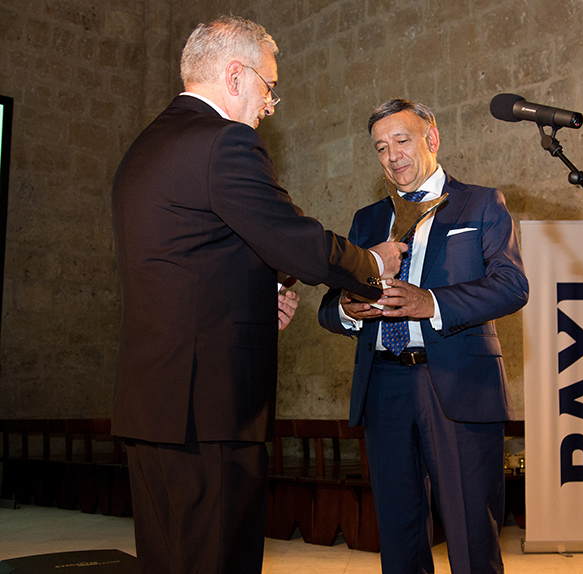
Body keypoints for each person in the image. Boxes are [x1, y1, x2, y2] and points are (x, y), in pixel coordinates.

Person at [110, 16, 405, 574]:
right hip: (211, 409)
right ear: (236, 75)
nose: (270, 106)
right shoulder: (225, 142)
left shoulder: (144, 148)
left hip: (153, 404)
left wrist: (255, 294)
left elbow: (186, 260)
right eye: (270, 88)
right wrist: (372, 263)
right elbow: (294, 241)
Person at [318, 99, 529, 574]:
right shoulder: (368, 220)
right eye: (380, 148)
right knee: (399, 536)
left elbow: (512, 286)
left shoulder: (481, 203)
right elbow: (328, 309)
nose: (392, 156)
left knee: (472, 535)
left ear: (431, 139)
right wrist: (350, 311)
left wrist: (430, 302)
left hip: (456, 384)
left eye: (402, 140)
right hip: (383, 390)